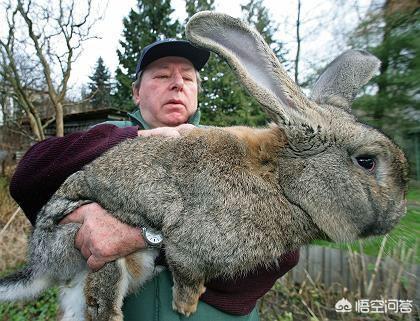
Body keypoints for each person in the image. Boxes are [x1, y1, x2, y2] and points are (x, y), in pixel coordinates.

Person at [10, 39, 299, 320]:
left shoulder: (232, 146)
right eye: (162, 75)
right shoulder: (106, 138)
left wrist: (143, 241)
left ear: (197, 91)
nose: (177, 84)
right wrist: (137, 138)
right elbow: (29, 175)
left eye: (188, 78)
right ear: (137, 92)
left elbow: (281, 251)